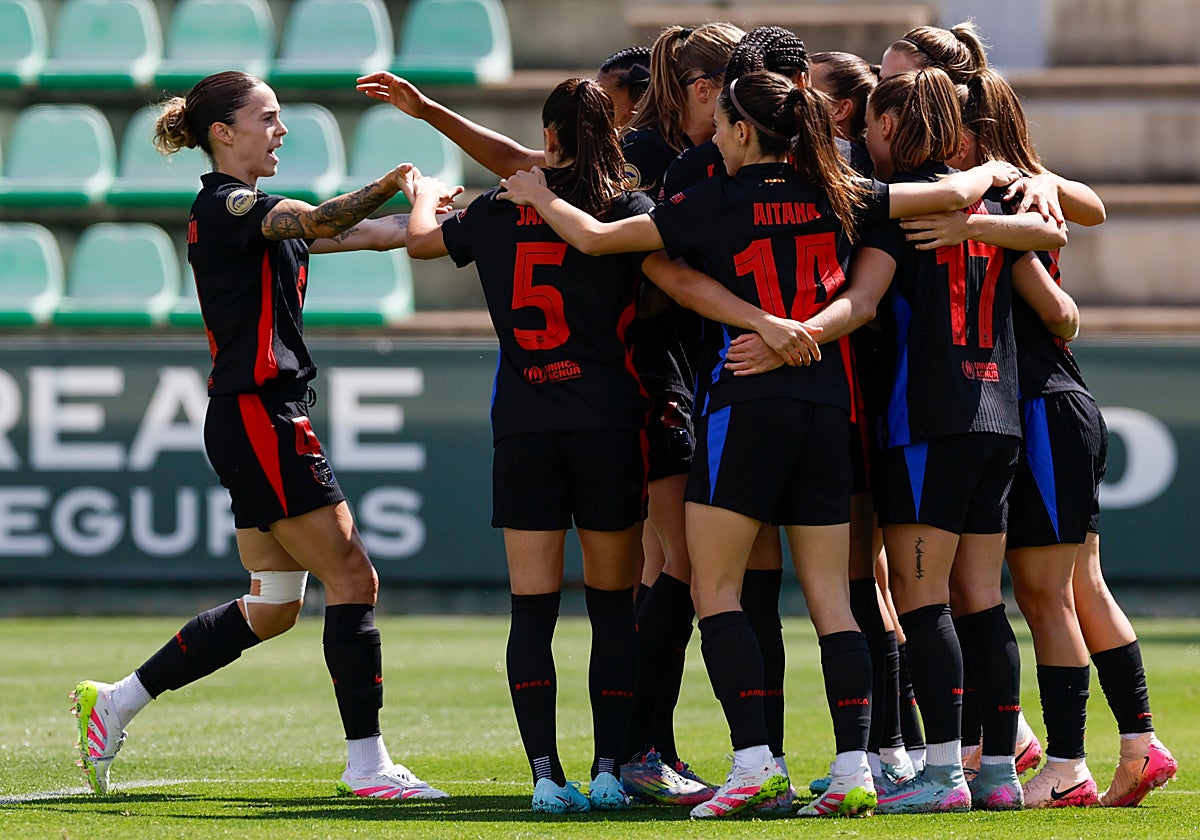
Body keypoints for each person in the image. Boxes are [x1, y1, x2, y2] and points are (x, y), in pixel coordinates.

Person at [498, 69, 938, 819]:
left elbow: (601, 238)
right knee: (835, 599)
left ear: (740, 131)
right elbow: (943, 199)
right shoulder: (843, 192)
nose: (714, 137)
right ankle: (855, 770)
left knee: (716, 589)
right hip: (829, 407)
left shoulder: (715, 201)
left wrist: (539, 196)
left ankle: (755, 765)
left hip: (746, 406)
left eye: (723, 125)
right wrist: (999, 171)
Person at [69, 71, 452, 801]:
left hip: (252, 415)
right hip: (260, 415)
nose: (281, 131)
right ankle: (368, 767)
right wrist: (398, 180)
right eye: (268, 118)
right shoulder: (227, 206)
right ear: (224, 132)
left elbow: (370, 235)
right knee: (354, 580)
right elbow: (323, 221)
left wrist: (448, 216)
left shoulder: (255, 214)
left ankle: (115, 702)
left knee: (274, 604)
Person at [907, 66, 1178, 809]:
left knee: (1046, 593)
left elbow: (1062, 313)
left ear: (970, 130)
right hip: (1025, 403)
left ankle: (1070, 759)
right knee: (1057, 589)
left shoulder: (1003, 194)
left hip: (1039, 403)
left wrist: (985, 220)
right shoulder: (1003, 190)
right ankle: (1126, 744)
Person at [400, 77, 656, 815]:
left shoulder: (496, 209)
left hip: (525, 425)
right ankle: (609, 769)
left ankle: (546, 775)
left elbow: (419, 242)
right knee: (613, 607)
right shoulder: (624, 208)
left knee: (531, 611)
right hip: (610, 421)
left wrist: (427, 196)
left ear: (547, 138)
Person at [856, 67, 1067, 814]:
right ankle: (1000, 774)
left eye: (873, 125)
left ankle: (942, 772)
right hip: (999, 419)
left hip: (928, 422)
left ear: (888, 127)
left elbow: (867, 301)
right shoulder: (1002, 199)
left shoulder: (902, 209)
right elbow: (1057, 274)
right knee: (982, 600)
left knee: (921, 597)